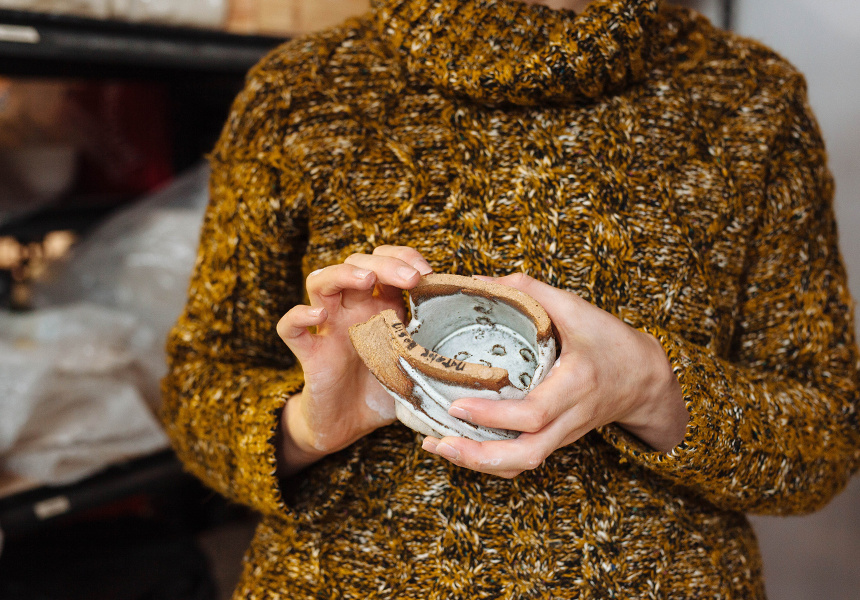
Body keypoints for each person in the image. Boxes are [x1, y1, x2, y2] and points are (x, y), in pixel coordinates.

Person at [161, 0, 860, 597]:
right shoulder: (300, 92)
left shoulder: (751, 98)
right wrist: (307, 427)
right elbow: (197, 393)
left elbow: (827, 441)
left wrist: (652, 387)